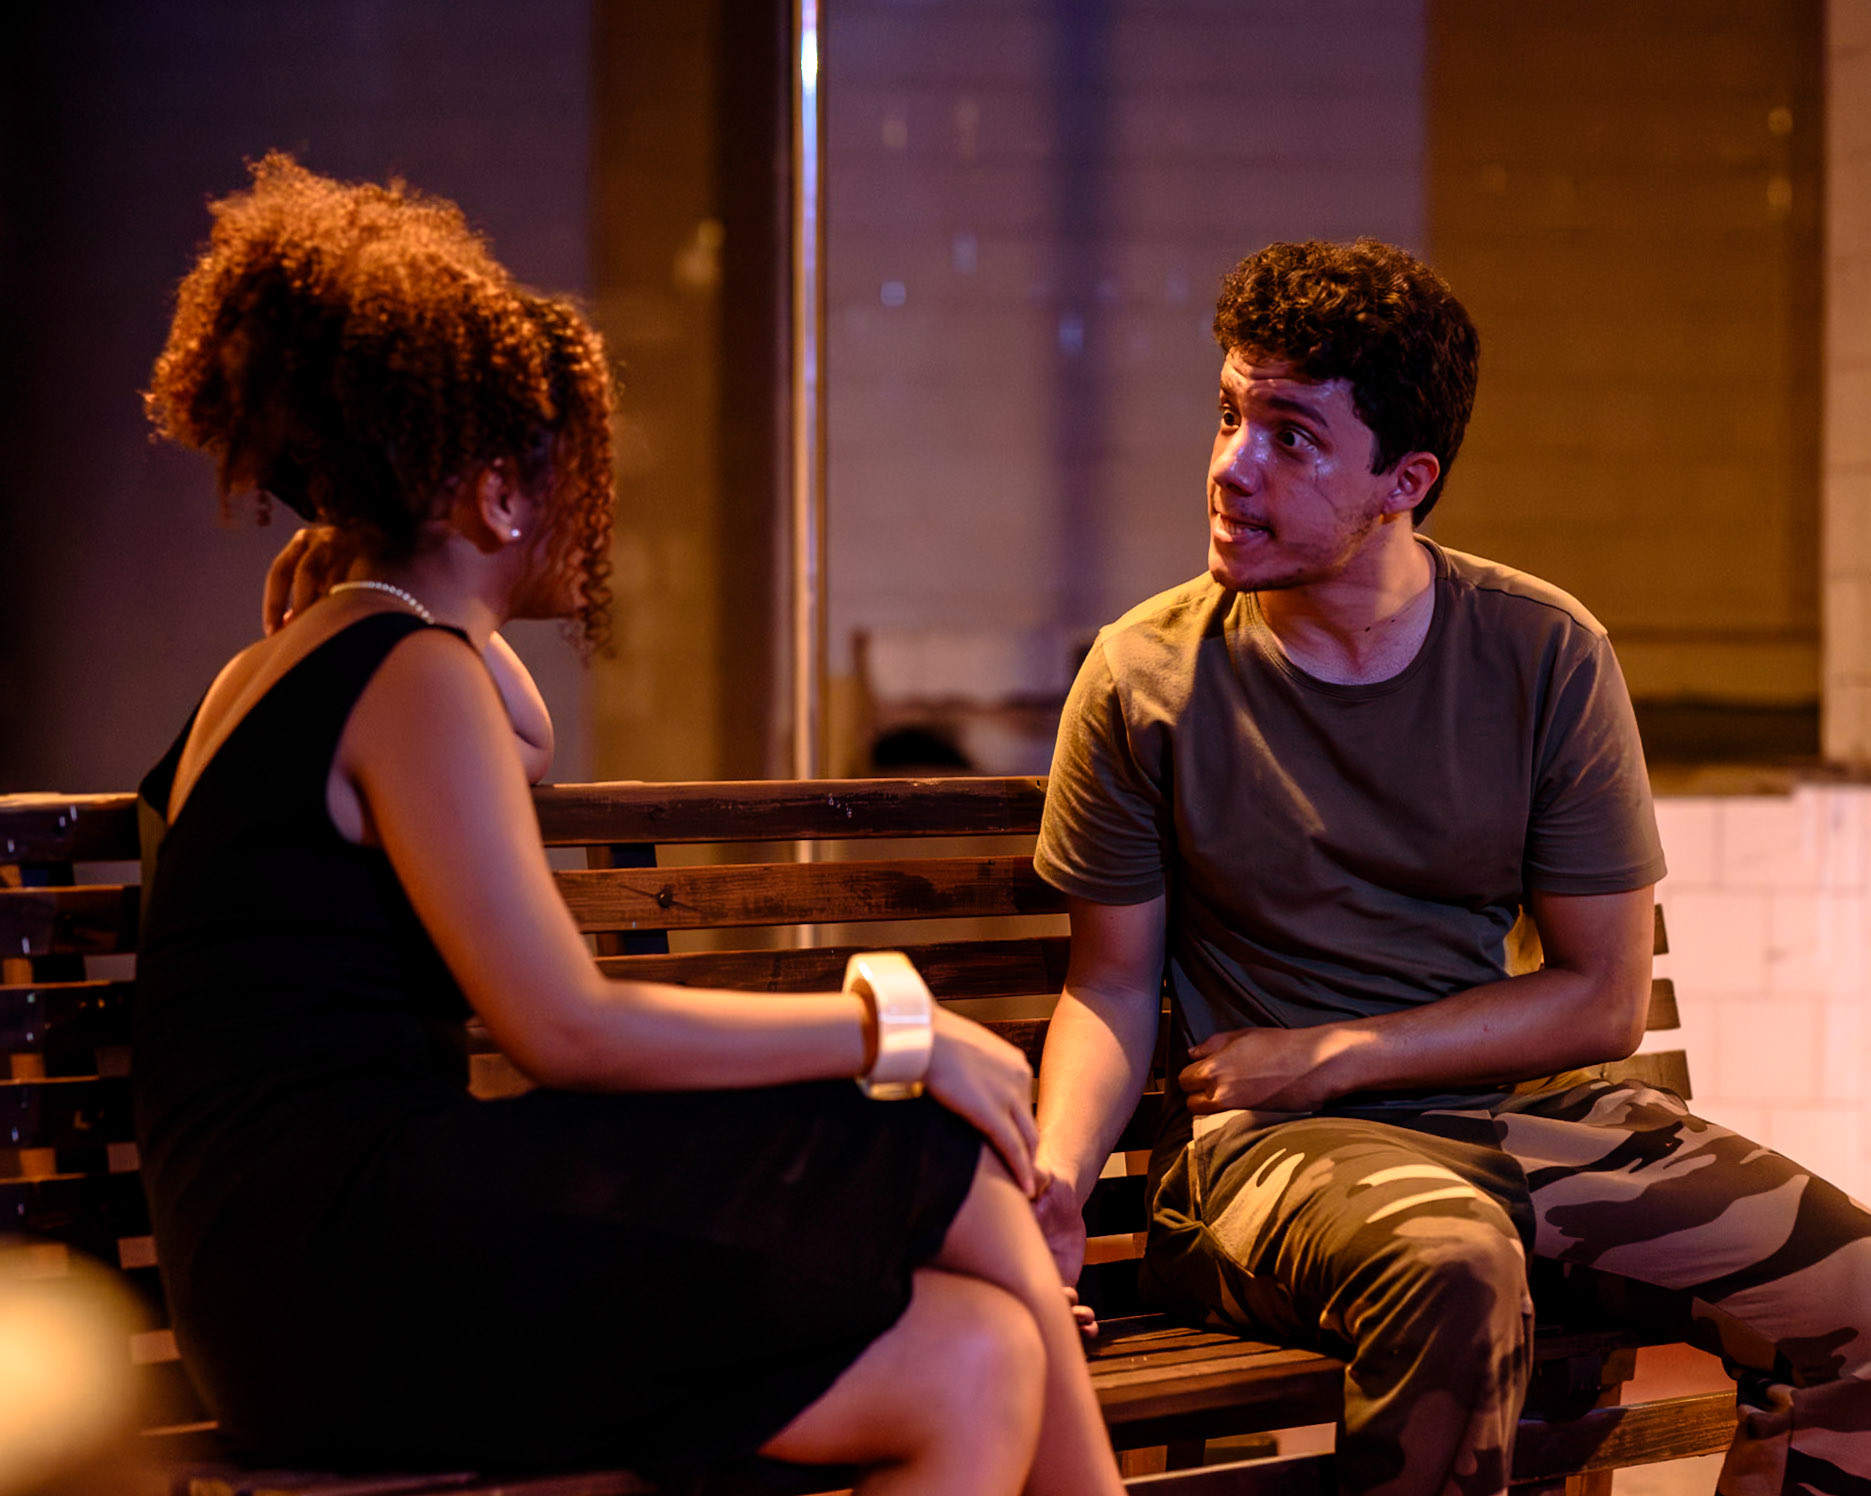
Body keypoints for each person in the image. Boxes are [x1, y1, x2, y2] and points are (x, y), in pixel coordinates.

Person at [133, 153, 1126, 1496]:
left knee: (975, 1362)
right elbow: (568, 1029)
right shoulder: (407, 676)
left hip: (293, 1268)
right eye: (575, 470)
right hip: (345, 1265)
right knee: (928, 1147)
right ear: (497, 491)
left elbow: (522, 739)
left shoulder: (324, 666)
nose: (592, 509)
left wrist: (398, 574)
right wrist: (903, 1031)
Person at [1028, 237, 1871, 1495]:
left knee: (1856, 1291)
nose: (1230, 465)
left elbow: (1599, 997)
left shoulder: (1540, 651)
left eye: (1290, 437)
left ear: (1403, 480)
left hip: (1517, 1119)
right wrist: (1054, 1182)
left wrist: (1338, 1048)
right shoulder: (1143, 676)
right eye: (1228, 414)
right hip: (1269, 1151)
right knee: (1455, 1265)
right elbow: (1105, 984)